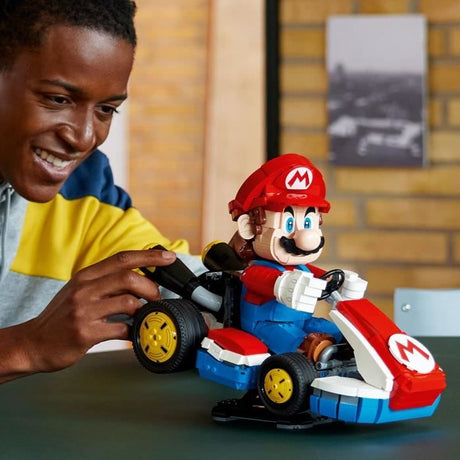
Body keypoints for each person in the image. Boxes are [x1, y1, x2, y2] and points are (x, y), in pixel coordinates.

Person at [0, 0, 201, 383]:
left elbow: (184, 282)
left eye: (106, 109)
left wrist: (268, 279)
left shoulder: (86, 188)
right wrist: (28, 346)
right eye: (58, 99)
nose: (84, 137)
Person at [228, 153, 368, 360]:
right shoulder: (255, 270)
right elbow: (261, 280)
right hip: (264, 324)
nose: (306, 238)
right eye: (289, 224)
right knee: (294, 339)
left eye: (308, 223)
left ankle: (352, 349)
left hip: (302, 320)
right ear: (250, 227)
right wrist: (283, 284)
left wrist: (339, 282)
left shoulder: (302, 268)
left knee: (337, 331)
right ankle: (311, 354)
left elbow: (322, 278)